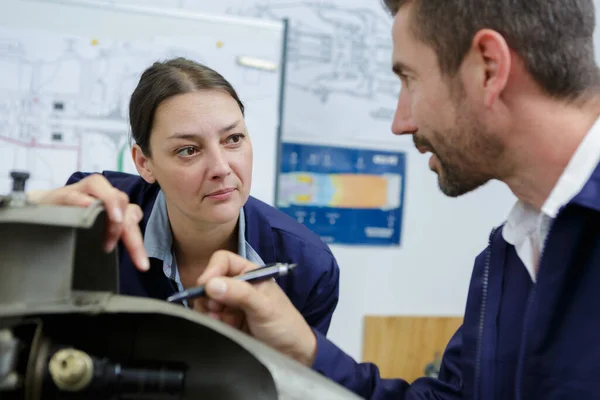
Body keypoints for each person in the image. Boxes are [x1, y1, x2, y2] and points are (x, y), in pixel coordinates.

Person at [184, 0, 600, 399]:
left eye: (409, 79)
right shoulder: (512, 252)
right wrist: (304, 349)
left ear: (488, 68)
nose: (401, 123)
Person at [28, 57, 340, 339]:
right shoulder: (93, 213)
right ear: (144, 163)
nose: (221, 168)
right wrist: (31, 212)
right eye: (188, 150)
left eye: (233, 139)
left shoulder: (308, 268)